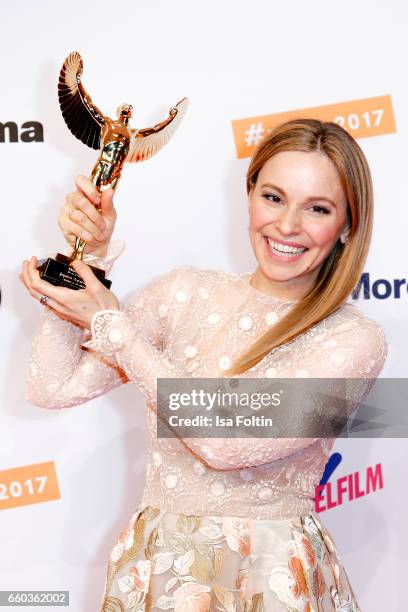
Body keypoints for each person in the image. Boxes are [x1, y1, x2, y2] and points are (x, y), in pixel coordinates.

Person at [20, 118, 388, 611]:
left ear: (347, 225)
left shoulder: (354, 339)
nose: (286, 226)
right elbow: (53, 385)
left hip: (269, 578)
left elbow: (225, 443)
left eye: (317, 208)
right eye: (273, 197)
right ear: (249, 194)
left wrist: (115, 329)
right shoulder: (184, 293)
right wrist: (89, 257)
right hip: (161, 569)